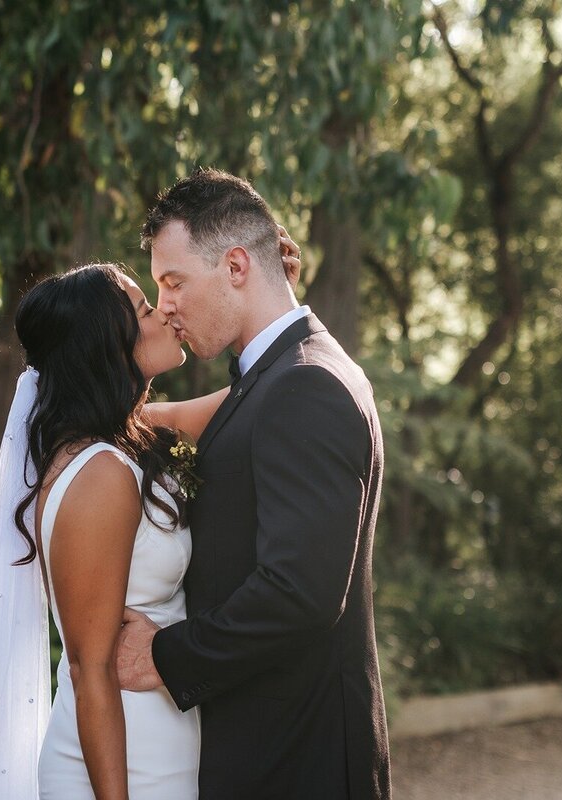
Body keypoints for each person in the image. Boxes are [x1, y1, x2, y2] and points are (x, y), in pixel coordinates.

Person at [0, 245, 301, 798]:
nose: (166, 312)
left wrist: (272, 296)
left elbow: (256, 396)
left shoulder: (125, 439)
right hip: (120, 763)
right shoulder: (99, 474)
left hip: (158, 742)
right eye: (146, 310)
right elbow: (89, 670)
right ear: (109, 345)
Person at [116, 168, 392, 799]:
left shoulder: (304, 386)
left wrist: (164, 656)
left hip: (298, 763)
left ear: (236, 266)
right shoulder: (281, 374)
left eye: (174, 282)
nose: (165, 305)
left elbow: (299, 592)